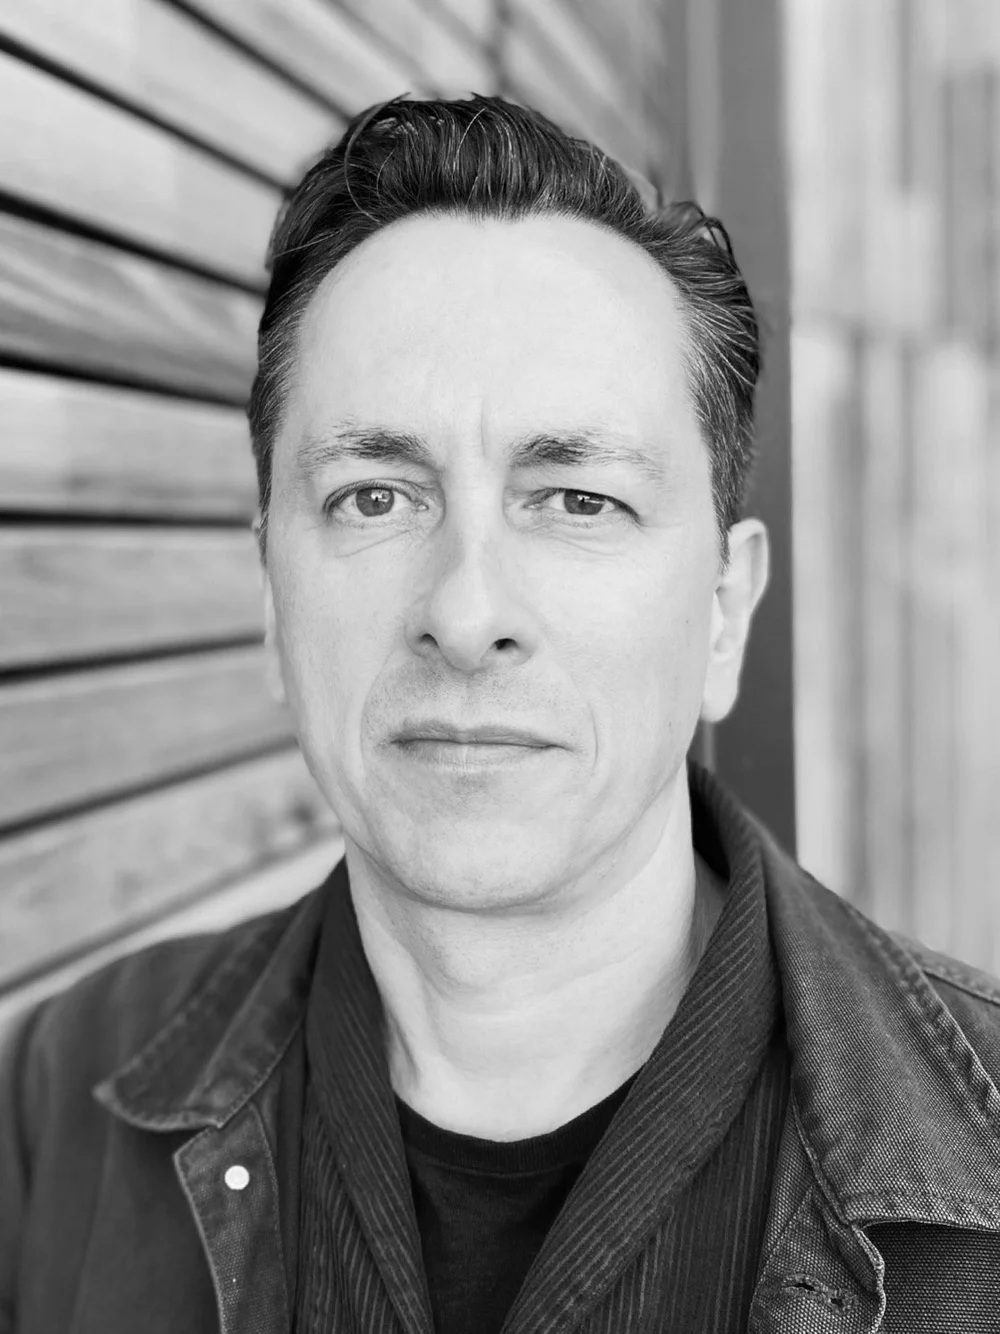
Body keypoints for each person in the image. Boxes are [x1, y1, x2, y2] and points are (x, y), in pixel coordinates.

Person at [3, 94, 1000, 1334]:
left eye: (577, 500)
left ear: (723, 610)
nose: (466, 612)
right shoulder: (58, 1102)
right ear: (271, 599)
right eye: (374, 495)